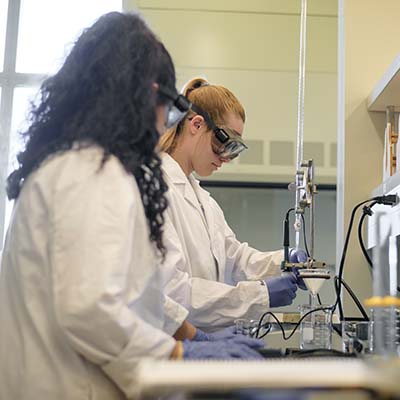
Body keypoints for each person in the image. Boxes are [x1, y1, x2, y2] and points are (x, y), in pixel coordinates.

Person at [0, 14, 264, 400]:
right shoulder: (93, 172)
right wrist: (176, 354)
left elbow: (130, 290)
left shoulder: (74, 165)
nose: (163, 125)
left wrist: (189, 333)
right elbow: (90, 309)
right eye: (167, 108)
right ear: (144, 95)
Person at [159, 77, 307, 330]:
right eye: (224, 143)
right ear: (196, 124)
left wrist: (283, 262)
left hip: (203, 350)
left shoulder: (203, 199)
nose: (226, 158)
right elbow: (175, 293)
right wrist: (260, 295)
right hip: (176, 350)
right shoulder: (158, 189)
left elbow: (235, 258)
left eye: (235, 149)